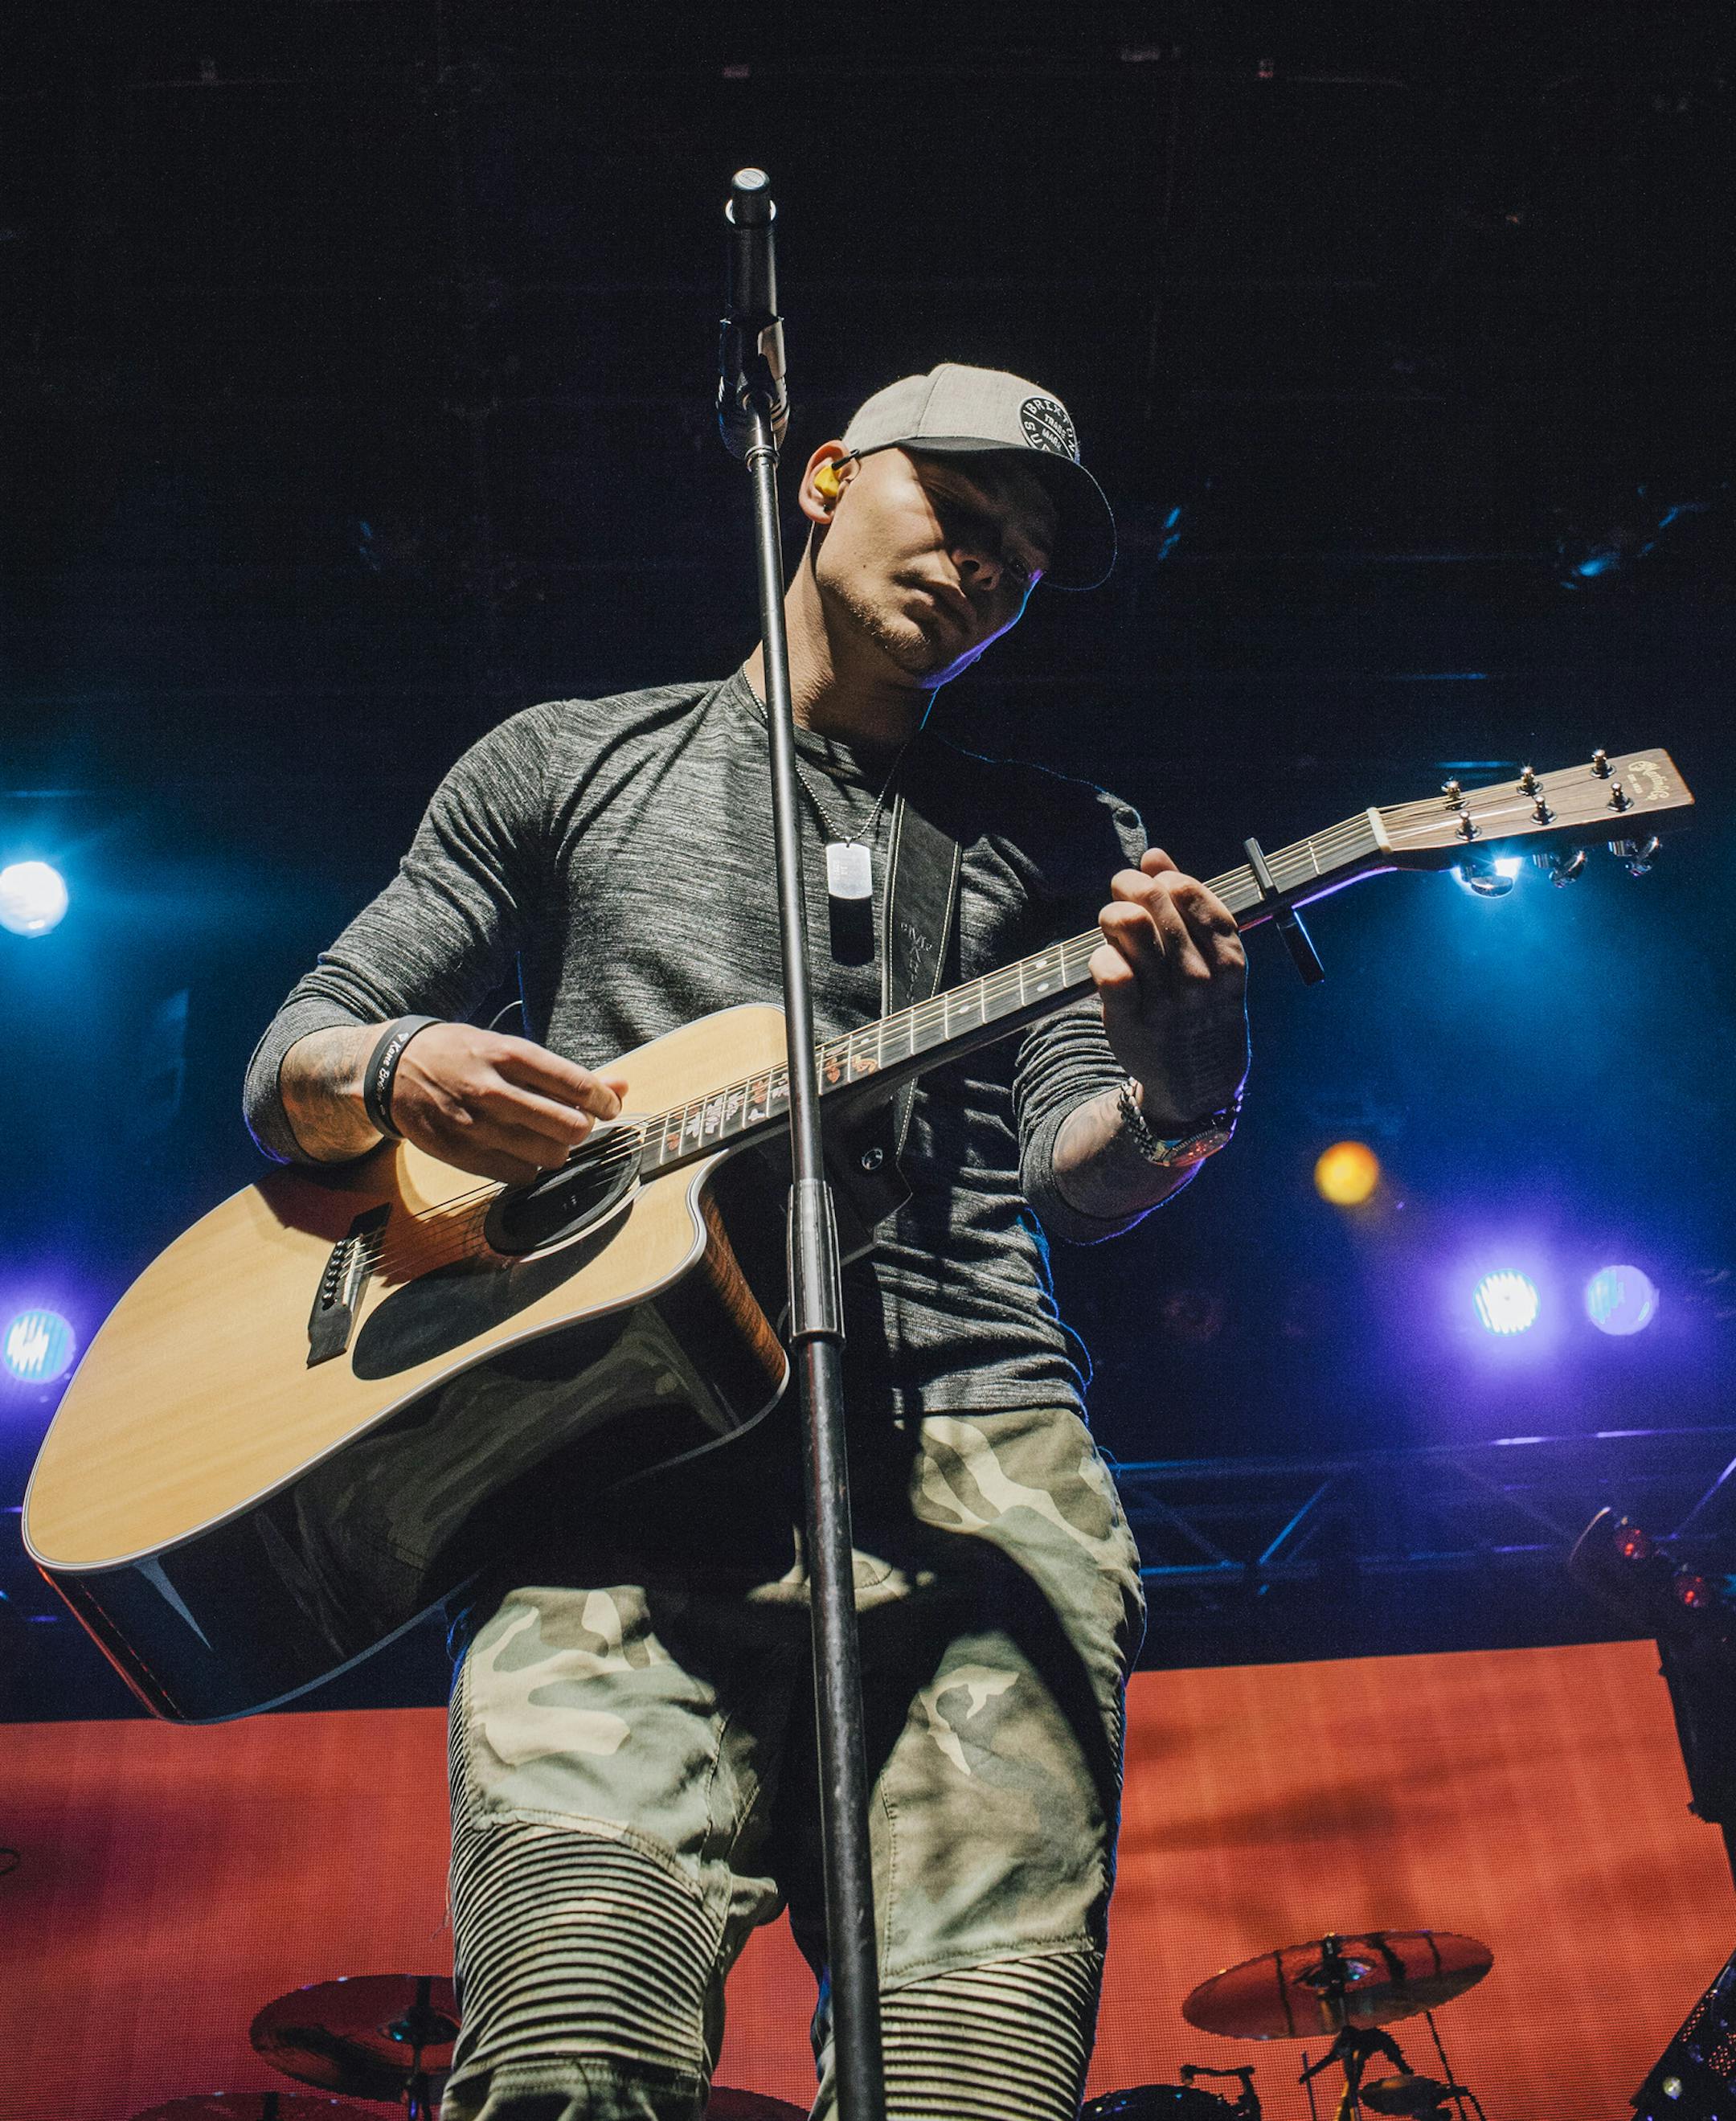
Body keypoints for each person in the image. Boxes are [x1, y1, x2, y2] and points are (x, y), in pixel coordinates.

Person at [244, 363, 1250, 2121]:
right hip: (602, 1480)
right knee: (567, 2059)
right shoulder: (564, 762)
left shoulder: (1063, 839)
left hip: (977, 1454)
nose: (989, 564)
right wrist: (397, 1066)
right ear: (825, 476)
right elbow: (292, 1068)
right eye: (958, 510)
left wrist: (1185, 1083)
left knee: (971, 2095)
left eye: (1024, 555)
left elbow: (1078, 1178)